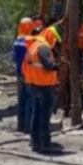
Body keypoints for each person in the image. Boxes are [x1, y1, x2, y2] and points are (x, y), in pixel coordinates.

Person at [24, 26, 60, 154]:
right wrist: (59, 66)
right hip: (44, 86)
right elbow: (48, 66)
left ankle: (35, 142)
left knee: (37, 114)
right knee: (44, 116)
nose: (54, 42)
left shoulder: (34, 45)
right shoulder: (44, 48)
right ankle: (45, 143)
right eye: (54, 39)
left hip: (35, 84)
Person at [13, 17, 34, 134]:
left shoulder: (17, 41)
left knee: (21, 100)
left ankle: (20, 125)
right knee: (29, 100)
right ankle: (27, 126)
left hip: (19, 73)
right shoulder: (30, 41)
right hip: (28, 74)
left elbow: (15, 58)